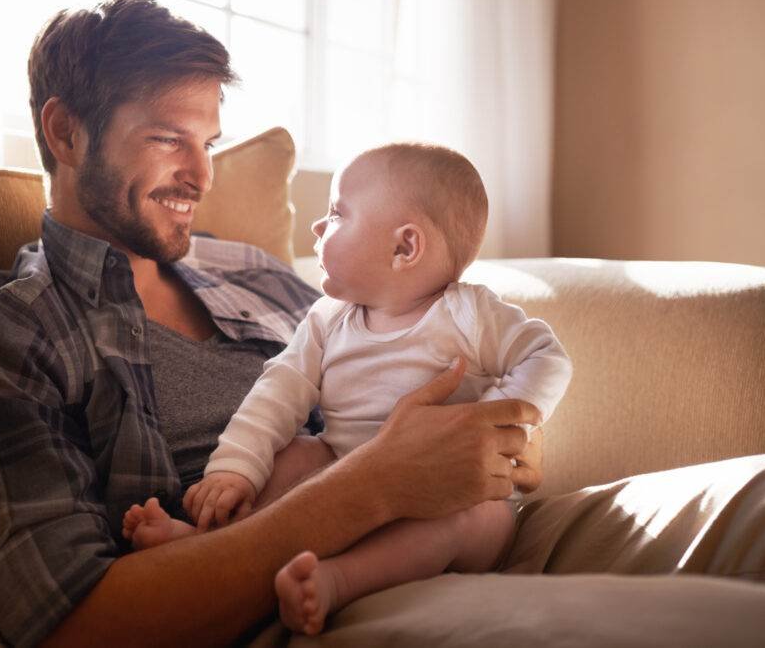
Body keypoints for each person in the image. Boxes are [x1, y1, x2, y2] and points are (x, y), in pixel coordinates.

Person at [0, 0, 544, 647]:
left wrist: (501, 438)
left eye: (208, 143)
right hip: (299, 606)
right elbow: (75, 624)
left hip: (454, 545)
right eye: (168, 138)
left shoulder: (246, 268)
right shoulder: (8, 339)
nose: (201, 175)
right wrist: (380, 484)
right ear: (65, 132)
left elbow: (415, 349)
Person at [120, 142, 573, 634]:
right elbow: (278, 391)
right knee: (294, 454)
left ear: (404, 248)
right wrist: (235, 471)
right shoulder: (327, 319)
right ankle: (207, 542)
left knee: (469, 519)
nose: (317, 227)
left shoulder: (469, 315)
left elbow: (546, 356)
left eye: (336, 214)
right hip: (342, 469)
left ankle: (337, 579)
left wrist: (488, 424)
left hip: (453, 495)